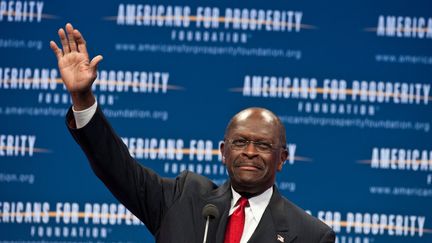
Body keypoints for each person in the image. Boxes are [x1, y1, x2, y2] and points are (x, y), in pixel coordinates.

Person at [50, 23, 336, 243]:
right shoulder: (183, 198)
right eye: (240, 142)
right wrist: (83, 98)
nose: (250, 151)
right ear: (224, 151)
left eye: (262, 145)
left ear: (282, 158)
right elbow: (117, 168)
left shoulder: (310, 234)